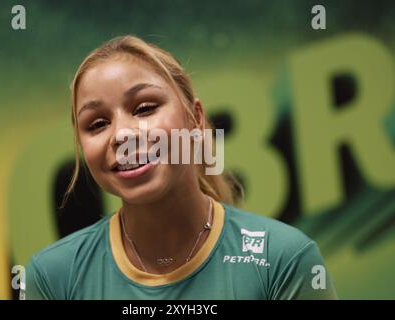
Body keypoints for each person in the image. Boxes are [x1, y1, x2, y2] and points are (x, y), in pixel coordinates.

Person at [24, 35, 338, 300]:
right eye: (97, 124)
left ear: (195, 118)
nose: (122, 135)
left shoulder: (284, 259)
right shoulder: (53, 277)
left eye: (144, 108)